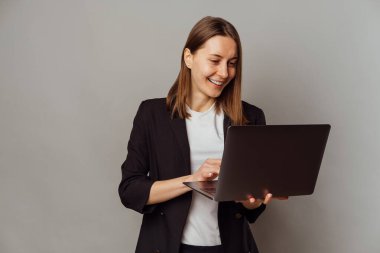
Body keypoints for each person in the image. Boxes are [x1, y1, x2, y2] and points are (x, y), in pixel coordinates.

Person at [119, 16, 286, 253]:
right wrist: (194, 180)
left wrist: (252, 201)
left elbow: (253, 209)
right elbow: (130, 190)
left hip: (230, 247)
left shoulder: (250, 117)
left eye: (232, 63)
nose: (224, 72)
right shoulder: (152, 114)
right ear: (189, 58)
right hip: (168, 247)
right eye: (215, 60)